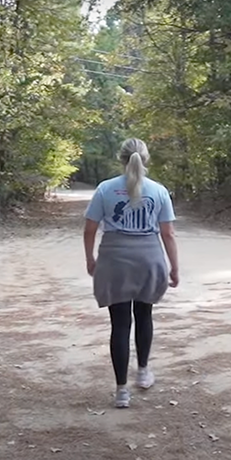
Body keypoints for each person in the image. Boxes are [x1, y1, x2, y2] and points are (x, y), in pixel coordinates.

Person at [83, 138, 180, 409]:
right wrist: (174, 268)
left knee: (120, 324)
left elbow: (90, 229)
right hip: (148, 259)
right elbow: (168, 233)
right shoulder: (158, 191)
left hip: (114, 260)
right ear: (146, 159)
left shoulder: (105, 189)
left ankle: (121, 391)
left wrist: (91, 259)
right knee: (144, 315)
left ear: (121, 159)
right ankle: (144, 371)